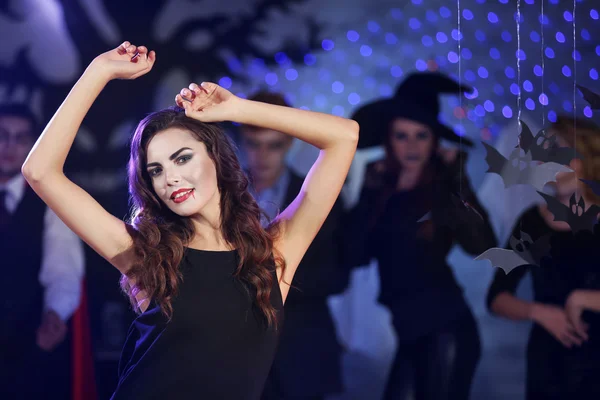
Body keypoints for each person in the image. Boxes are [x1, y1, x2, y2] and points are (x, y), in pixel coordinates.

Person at [21, 41, 359, 400]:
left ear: (216, 157)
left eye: (182, 159)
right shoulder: (145, 255)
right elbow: (40, 171)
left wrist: (238, 108)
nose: (170, 178)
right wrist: (98, 72)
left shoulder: (272, 256)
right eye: (156, 170)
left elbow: (343, 137)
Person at [344, 72, 497, 400]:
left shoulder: (444, 188)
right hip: (409, 331)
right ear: (388, 139)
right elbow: (353, 256)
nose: (411, 145)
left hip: (446, 327)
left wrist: (459, 182)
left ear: (434, 141)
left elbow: (483, 246)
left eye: (421, 135)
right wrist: (370, 194)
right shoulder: (381, 187)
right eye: (401, 135)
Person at [239, 91, 347, 400]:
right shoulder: (219, 195)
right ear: (241, 140)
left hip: (300, 347)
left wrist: (261, 278)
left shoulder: (321, 195)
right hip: (237, 349)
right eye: (254, 144)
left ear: (291, 143)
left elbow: (336, 275)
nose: (263, 155)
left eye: (274, 145)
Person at [486, 116, 600, 399]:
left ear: (582, 159)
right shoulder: (533, 221)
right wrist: (540, 312)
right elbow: (497, 297)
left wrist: (582, 299)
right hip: (548, 364)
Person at [0, 104, 85, 399]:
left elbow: (63, 267)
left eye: (21, 138)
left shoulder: (48, 201)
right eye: (2, 135)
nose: (10, 146)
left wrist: (55, 312)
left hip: (26, 339)